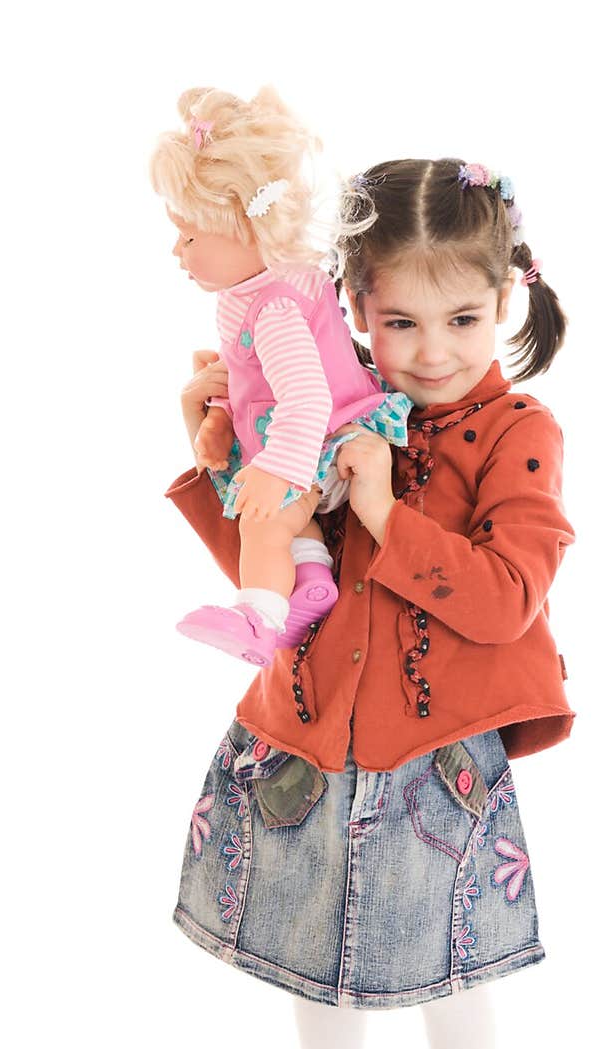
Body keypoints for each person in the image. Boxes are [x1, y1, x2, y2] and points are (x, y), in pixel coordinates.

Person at [165, 158, 576, 1049]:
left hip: (434, 764)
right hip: (306, 737)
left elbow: (502, 599)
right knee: (316, 963)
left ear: (507, 300)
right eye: (398, 319)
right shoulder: (332, 413)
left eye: (462, 316)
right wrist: (225, 461)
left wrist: (387, 509)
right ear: (350, 306)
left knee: (451, 973)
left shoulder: (516, 433)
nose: (432, 349)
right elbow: (284, 589)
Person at [150, 87, 411, 666]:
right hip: (304, 434)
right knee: (277, 518)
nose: (177, 251)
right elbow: (251, 382)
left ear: (248, 229)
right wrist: (220, 418)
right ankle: (312, 577)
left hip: (330, 436)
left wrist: (275, 469)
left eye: (190, 237)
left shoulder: (274, 309)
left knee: (261, 520)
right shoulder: (245, 297)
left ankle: (257, 619)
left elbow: (307, 396)